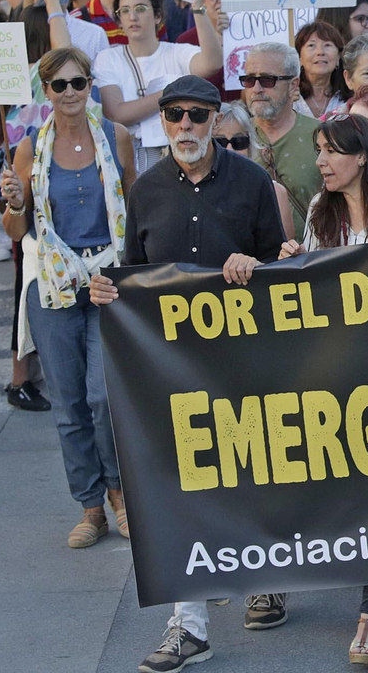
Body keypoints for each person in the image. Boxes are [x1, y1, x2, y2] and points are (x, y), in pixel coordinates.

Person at [87, 75, 288, 673]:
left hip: (245, 356)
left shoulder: (253, 182)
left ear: (214, 120)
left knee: (254, 471)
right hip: (171, 366)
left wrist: (254, 263)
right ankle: (189, 624)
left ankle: (264, 579)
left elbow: (281, 266)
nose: (184, 127)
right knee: (184, 485)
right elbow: (133, 275)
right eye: (173, 115)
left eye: (197, 117)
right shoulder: (145, 189)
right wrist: (107, 291)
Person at [272, 113, 368, 666]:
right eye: (317, 151)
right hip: (340, 367)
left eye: (331, 151)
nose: (321, 162)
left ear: (362, 155)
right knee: (360, 485)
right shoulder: (320, 211)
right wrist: (294, 265)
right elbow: (314, 286)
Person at [0, 46, 135, 543]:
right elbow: (16, 230)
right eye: (61, 86)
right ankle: (90, 506)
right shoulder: (30, 148)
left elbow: (131, 212)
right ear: (47, 90)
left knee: (104, 397)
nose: (72, 93)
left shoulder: (116, 139)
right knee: (69, 403)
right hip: (52, 285)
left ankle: (120, 491)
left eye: (80, 83)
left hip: (106, 280)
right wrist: (14, 202)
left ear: (90, 85)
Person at [93, 0, 224, 172]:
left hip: (177, 154)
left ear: (157, 16)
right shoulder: (108, 58)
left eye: (140, 8)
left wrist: (197, 7)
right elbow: (116, 113)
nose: (133, 16)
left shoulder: (175, 52)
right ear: (119, 20)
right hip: (130, 155)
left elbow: (212, 63)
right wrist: (172, 94)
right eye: (125, 10)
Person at [237, 41, 323, 237]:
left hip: (311, 260)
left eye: (267, 80)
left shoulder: (321, 136)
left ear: (293, 85)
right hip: (249, 263)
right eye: (250, 80)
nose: (256, 89)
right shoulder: (233, 139)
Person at [213, 102, 296, 238]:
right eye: (219, 142)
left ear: (250, 145)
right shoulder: (193, 192)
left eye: (239, 141)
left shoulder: (274, 193)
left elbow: (285, 255)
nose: (229, 150)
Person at [296, 20, 349, 119]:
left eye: (327, 45)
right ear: (300, 58)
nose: (320, 52)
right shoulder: (291, 97)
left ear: (338, 57)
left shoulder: (349, 98)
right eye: (311, 45)